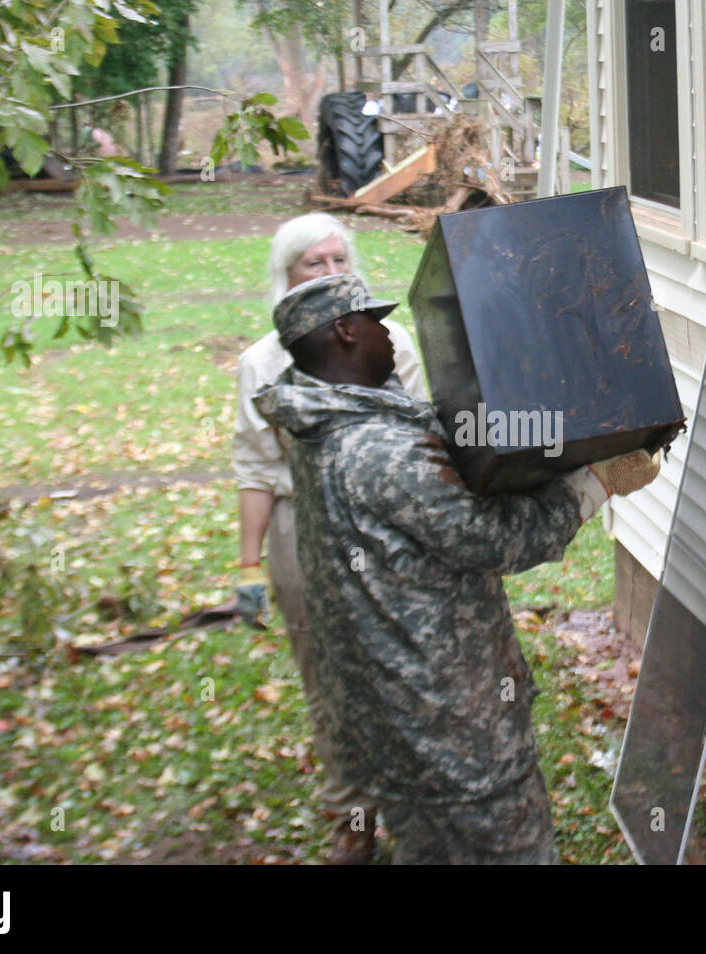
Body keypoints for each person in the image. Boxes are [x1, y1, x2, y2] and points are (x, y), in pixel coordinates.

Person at [253, 274, 661, 864]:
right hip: (452, 739)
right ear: (344, 331)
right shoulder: (378, 451)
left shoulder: (323, 429)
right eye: (373, 320)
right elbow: (497, 540)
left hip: (393, 732)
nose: (388, 332)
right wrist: (598, 482)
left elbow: (438, 468)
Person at [231, 213, 426, 865]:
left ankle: (425, 812)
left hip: (388, 528)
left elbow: (428, 439)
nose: (331, 274)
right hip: (302, 531)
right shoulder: (262, 363)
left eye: (340, 260)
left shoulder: (392, 342)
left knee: (405, 673)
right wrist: (251, 565)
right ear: (286, 277)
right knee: (332, 683)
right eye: (314, 264)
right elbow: (257, 468)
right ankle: (357, 820)